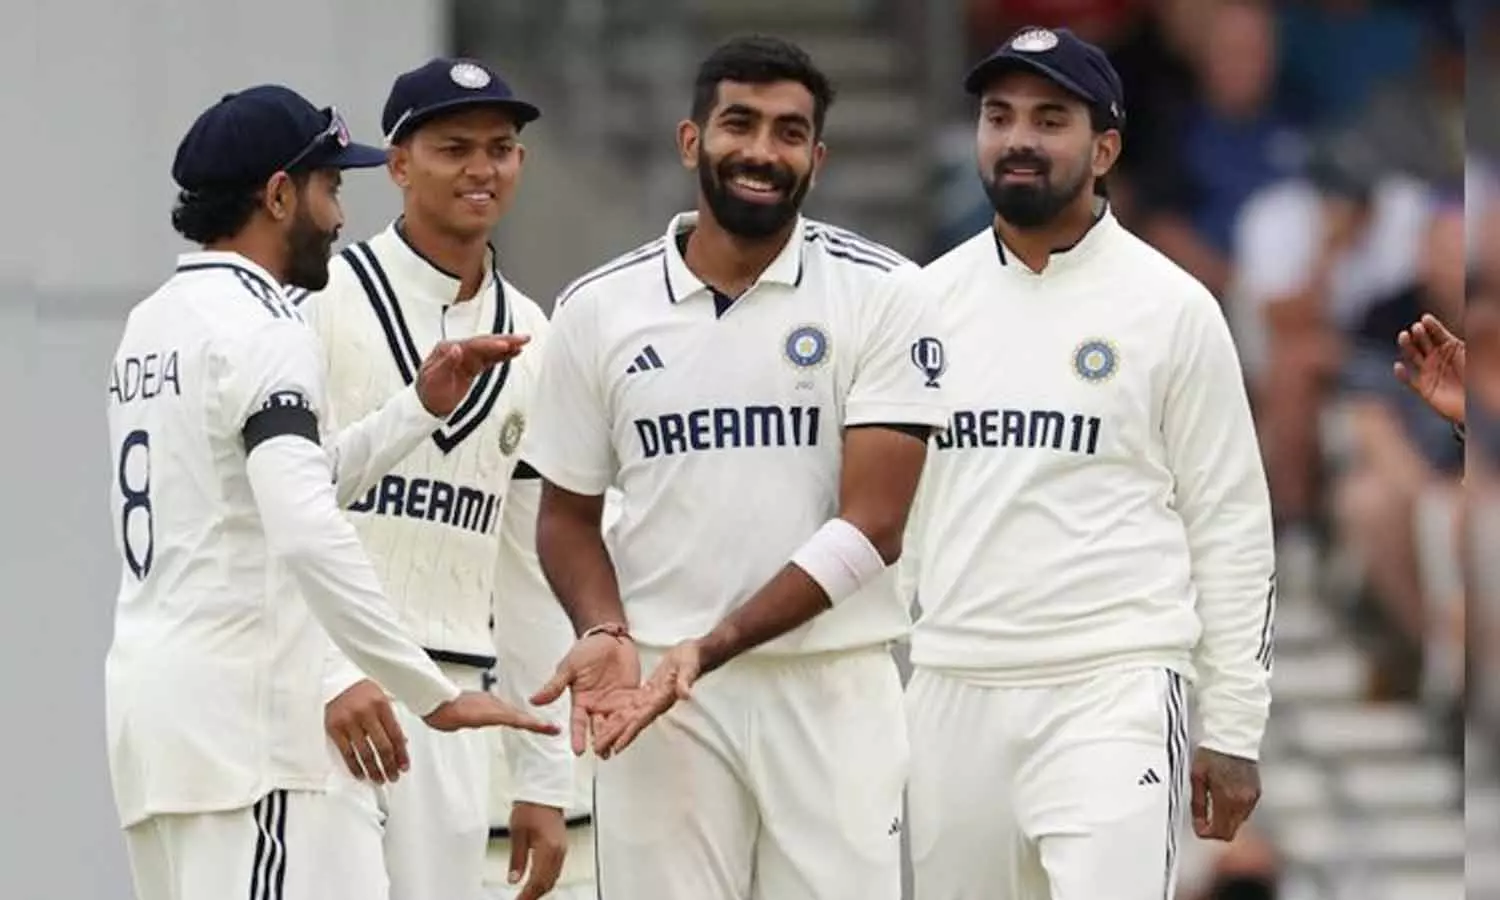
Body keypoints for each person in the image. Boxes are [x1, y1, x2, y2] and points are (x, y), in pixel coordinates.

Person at [521, 35, 950, 900]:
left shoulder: (886, 293)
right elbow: (566, 518)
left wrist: (711, 647)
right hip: (660, 699)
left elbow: (874, 528)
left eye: (789, 133)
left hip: (831, 687)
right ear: (691, 141)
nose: (762, 151)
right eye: (739, 124)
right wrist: (605, 631)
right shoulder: (598, 308)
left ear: (817, 159)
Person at [105, 84, 558, 900]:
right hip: (252, 737)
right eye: (331, 187)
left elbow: (272, 488)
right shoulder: (267, 327)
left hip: (157, 724)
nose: (342, 216)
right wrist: (429, 693)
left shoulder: (154, 324)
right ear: (280, 195)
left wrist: (415, 411)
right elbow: (306, 527)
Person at [897, 27, 1276, 900]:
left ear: (1104, 149)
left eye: (1049, 119)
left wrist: (1233, 726)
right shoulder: (917, 306)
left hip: (1114, 685)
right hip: (954, 683)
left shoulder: (1173, 307)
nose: (1018, 139)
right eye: (999, 116)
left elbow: (1231, 522)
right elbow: (889, 522)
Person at [297, 58, 582, 900]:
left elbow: (529, 567)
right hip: (326, 696)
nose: (480, 169)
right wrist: (327, 674)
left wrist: (543, 776)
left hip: (455, 701)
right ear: (398, 164)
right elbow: (271, 520)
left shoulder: (535, 335)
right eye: (454, 148)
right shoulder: (323, 299)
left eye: (500, 148)